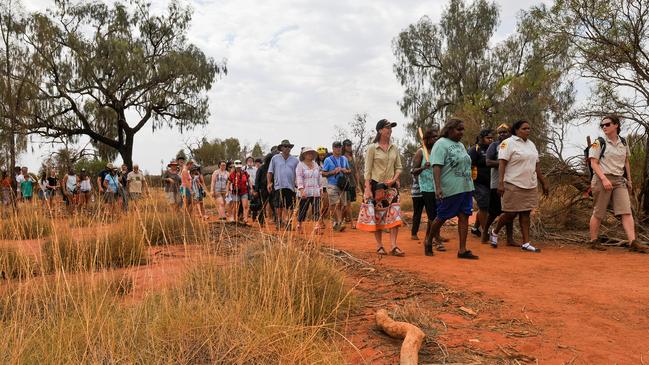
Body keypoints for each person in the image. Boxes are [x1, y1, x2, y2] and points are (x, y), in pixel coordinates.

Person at [588, 115, 646, 252]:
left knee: (626, 211)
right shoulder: (599, 142)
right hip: (602, 179)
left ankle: (633, 242)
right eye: (602, 125)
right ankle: (593, 241)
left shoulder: (624, 142)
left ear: (616, 125)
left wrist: (629, 180)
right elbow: (593, 163)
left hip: (619, 180)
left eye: (607, 124)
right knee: (599, 212)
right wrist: (604, 179)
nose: (604, 127)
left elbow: (626, 161)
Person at [489, 120, 549, 253]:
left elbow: (536, 165)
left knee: (525, 213)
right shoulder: (508, 143)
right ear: (516, 130)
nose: (528, 130)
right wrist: (501, 183)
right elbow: (502, 164)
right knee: (510, 213)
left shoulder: (531, 144)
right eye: (524, 128)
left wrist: (543, 182)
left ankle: (526, 243)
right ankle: (495, 231)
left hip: (530, 184)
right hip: (512, 183)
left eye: (529, 128)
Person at [424, 119, 478, 259]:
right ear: (449, 129)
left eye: (462, 130)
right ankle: (429, 240)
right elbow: (436, 166)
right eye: (458, 129)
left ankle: (462, 250)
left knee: (464, 216)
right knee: (442, 216)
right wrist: (438, 188)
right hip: (450, 188)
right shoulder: (440, 144)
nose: (462, 132)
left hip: (465, 186)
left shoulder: (460, 145)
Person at [362, 119, 404, 257]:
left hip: (391, 187)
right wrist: (368, 189)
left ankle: (394, 245)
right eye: (387, 127)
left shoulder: (394, 148)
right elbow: (367, 171)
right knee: (378, 215)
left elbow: (399, 167)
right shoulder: (372, 148)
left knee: (395, 214)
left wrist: (394, 179)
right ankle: (380, 245)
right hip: (376, 185)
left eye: (391, 128)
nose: (390, 130)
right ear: (380, 130)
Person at [411, 128, 445, 255]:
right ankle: (432, 240)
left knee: (439, 215)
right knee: (432, 216)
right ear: (427, 139)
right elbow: (413, 171)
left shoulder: (439, 151)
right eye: (433, 137)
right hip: (426, 188)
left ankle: (432, 238)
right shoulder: (420, 152)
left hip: (439, 187)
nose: (436, 139)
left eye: (437, 137)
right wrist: (423, 168)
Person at [482, 124, 515, 247]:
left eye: (504, 132)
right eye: (500, 133)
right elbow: (488, 161)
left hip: (511, 181)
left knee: (509, 211)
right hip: (497, 183)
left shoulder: (514, 144)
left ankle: (510, 239)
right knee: (494, 211)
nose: (502, 135)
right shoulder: (494, 145)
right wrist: (503, 163)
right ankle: (485, 232)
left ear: (510, 133)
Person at [267, 139, 299, 230]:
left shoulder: (295, 160)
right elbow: (270, 172)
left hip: (291, 186)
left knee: (290, 206)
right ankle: (279, 221)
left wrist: (298, 183)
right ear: (281, 148)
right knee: (278, 205)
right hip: (278, 185)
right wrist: (269, 183)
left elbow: (298, 173)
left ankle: (288, 222)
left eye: (289, 147)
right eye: (285, 146)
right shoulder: (275, 158)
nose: (287, 148)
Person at [468, 129, 494, 238]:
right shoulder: (475, 150)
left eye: (492, 138)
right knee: (483, 207)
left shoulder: (492, 149)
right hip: (477, 182)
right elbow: (468, 166)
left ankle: (475, 228)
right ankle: (485, 232)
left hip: (491, 183)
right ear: (482, 138)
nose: (491, 140)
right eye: (488, 138)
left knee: (486, 207)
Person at [322, 141, 351, 232]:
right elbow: (323, 173)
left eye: (339, 147)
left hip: (342, 185)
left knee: (344, 206)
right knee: (336, 203)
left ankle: (336, 222)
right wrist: (333, 172)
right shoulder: (328, 160)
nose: (338, 148)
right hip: (332, 184)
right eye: (336, 147)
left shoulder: (344, 159)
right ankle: (340, 222)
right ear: (333, 148)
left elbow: (349, 170)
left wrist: (344, 170)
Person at [295, 147, 323, 234]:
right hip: (305, 191)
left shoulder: (315, 165)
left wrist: (320, 188)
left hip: (315, 191)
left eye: (311, 153)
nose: (310, 155)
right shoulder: (300, 165)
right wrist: (301, 189)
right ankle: (299, 225)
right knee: (303, 209)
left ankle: (316, 227)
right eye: (308, 153)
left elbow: (319, 177)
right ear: (304, 155)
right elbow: (299, 177)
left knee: (316, 209)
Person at [342, 139, 360, 229]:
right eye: (347, 145)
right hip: (345, 183)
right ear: (344, 147)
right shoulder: (342, 157)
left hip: (352, 183)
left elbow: (356, 171)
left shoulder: (352, 157)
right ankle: (352, 222)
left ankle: (342, 220)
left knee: (348, 204)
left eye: (350, 145)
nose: (349, 147)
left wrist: (357, 185)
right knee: (347, 204)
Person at [254, 153, 275, 225]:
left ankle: (276, 220)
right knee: (263, 205)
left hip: (272, 188)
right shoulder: (261, 168)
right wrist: (256, 190)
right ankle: (261, 221)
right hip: (263, 189)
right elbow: (257, 180)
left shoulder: (273, 168)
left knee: (273, 205)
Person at [316, 146, 330, 222]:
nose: (322, 156)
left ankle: (321, 217)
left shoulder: (327, 162)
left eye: (323, 155)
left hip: (327, 184)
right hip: (319, 186)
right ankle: (319, 220)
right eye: (320, 155)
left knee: (327, 205)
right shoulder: (315, 163)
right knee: (322, 204)